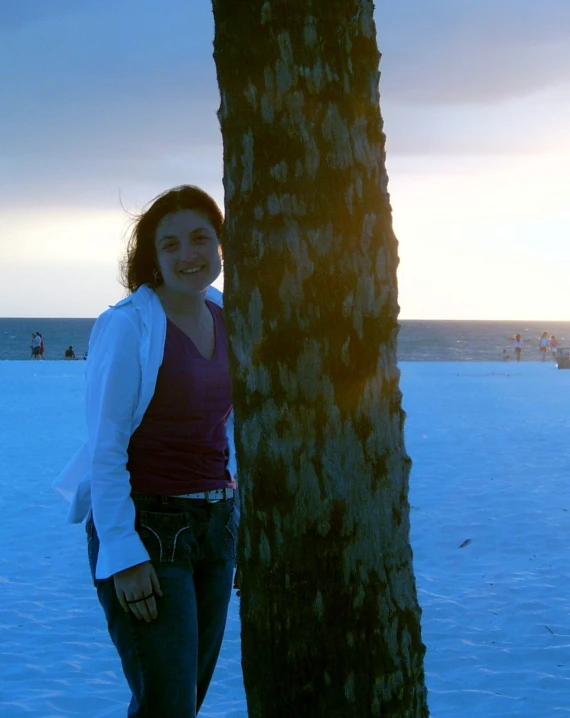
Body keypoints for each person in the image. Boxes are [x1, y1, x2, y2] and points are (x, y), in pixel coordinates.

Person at [53, 185, 238, 717]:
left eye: (201, 238)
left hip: (216, 527)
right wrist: (122, 553)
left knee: (185, 700)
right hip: (147, 528)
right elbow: (106, 449)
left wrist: (242, 523)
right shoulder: (127, 325)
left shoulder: (230, 316)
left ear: (222, 246)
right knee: (168, 705)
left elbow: (230, 433)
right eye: (171, 244)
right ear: (152, 258)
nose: (189, 255)